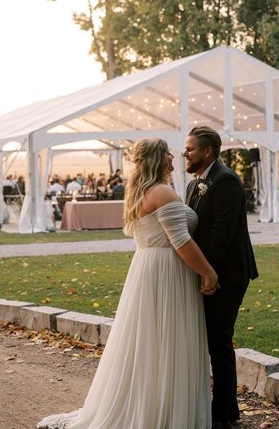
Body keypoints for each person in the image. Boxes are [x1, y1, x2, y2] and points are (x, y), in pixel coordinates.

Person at [37, 137, 219, 429]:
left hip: (148, 269)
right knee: (165, 339)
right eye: (169, 155)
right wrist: (209, 273)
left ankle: (154, 403)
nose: (175, 159)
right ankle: (163, 412)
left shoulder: (141, 191)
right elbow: (181, 241)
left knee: (151, 342)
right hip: (166, 272)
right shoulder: (162, 192)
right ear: (159, 159)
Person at [184, 125, 259, 429]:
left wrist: (208, 274)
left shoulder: (226, 180)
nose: (185, 153)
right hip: (208, 271)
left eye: (190, 148)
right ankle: (230, 409)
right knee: (213, 339)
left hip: (227, 273)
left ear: (207, 151)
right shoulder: (194, 184)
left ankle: (221, 416)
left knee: (219, 341)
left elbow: (221, 236)